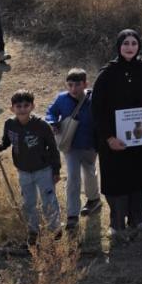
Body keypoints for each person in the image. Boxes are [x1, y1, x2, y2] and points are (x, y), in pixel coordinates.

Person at [92, 29, 142, 238]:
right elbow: (97, 109)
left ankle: (138, 219)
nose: (130, 47)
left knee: (139, 178)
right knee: (117, 182)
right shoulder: (107, 74)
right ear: (119, 46)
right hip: (116, 141)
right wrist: (109, 138)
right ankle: (117, 224)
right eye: (126, 43)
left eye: (134, 43)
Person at [0, 89, 61, 243]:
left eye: (26, 105)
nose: (22, 109)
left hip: (43, 170)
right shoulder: (10, 124)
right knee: (28, 204)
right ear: (12, 108)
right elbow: (7, 142)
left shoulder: (42, 126)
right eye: (18, 106)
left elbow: (53, 149)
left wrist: (56, 170)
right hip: (23, 172)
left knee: (49, 201)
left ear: (32, 107)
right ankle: (33, 232)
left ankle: (55, 231)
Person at [44, 68, 102, 230]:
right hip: (71, 146)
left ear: (85, 83)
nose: (73, 89)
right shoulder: (61, 99)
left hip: (91, 143)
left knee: (90, 171)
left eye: (77, 85)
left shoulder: (94, 98)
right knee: (73, 178)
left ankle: (93, 200)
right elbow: (50, 112)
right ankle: (72, 215)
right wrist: (52, 122)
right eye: (70, 85)